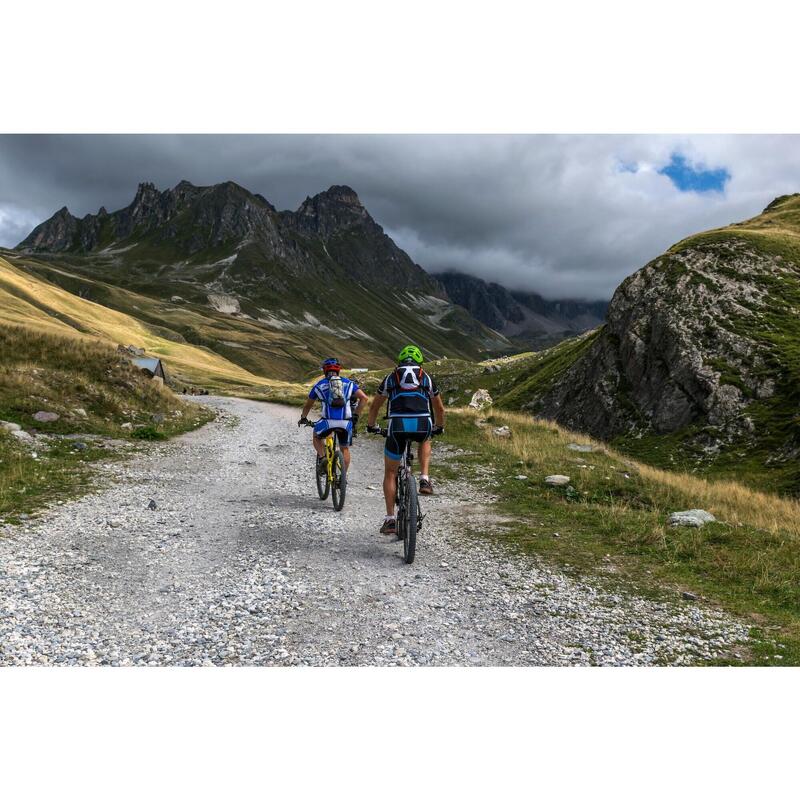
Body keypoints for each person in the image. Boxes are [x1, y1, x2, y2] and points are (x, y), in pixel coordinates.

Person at [366, 344, 445, 536]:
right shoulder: (425, 377)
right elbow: (440, 409)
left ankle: (390, 520)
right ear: (419, 362)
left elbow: (375, 407)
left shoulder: (391, 377)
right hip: (422, 423)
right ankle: (424, 479)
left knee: (390, 472)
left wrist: (372, 426)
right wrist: (439, 427)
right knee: (425, 439)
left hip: (397, 425)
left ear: (400, 361)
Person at [298, 357, 368, 473]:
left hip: (327, 422)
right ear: (338, 370)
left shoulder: (319, 385)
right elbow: (364, 398)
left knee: (316, 436)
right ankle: (343, 478)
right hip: (346, 423)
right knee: (344, 448)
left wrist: (304, 418)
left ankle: (322, 457)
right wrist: (355, 416)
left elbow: (308, 405)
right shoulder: (349, 383)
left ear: (324, 370)